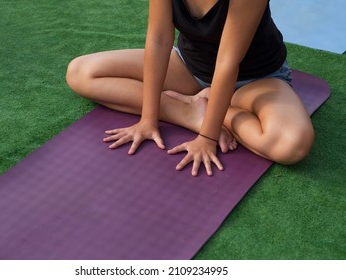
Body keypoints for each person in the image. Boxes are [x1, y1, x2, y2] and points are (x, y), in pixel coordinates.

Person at [66, 0, 314, 176]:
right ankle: (190, 112)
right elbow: (159, 40)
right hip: (189, 69)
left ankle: (215, 112)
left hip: (256, 80)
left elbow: (228, 62)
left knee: (293, 145)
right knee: (81, 72)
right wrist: (148, 118)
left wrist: (207, 136)